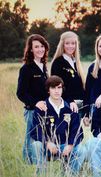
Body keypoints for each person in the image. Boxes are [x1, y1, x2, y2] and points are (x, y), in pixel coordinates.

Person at [30, 76, 86, 175]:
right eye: (53, 88)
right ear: (48, 90)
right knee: (36, 145)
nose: (57, 91)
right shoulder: (42, 108)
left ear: (62, 89)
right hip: (48, 147)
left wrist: (70, 145)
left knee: (81, 149)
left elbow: (78, 131)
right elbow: (35, 131)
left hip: (65, 146)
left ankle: (70, 174)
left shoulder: (70, 108)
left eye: (59, 87)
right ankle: (42, 174)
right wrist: (47, 143)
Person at [16, 34, 49, 164]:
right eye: (36, 47)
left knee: (41, 138)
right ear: (30, 49)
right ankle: (28, 164)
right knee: (30, 138)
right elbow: (20, 93)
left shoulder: (43, 66)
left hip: (44, 111)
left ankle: (40, 161)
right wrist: (36, 103)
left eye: (42, 46)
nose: (40, 49)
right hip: (32, 111)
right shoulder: (26, 69)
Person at [51, 31, 86, 113]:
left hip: (79, 106)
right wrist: (70, 101)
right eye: (67, 43)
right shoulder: (58, 63)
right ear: (62, 44)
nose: (70, 46)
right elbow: (57, 87)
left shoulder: (76, 62)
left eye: (73, 43)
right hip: (67, 106)